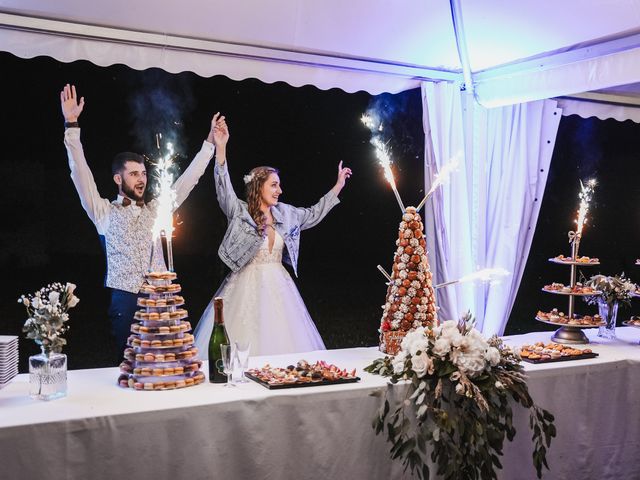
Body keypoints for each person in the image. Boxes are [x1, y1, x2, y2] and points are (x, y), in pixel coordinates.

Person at [60, 83, 220, 358]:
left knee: (165, 363)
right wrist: (71, 125)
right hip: (126, 299)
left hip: (161, 297)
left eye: (143, 173)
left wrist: (209, 145)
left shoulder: (157, 208)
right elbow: (80, 173)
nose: (142, 179)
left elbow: (186, 183)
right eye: (134, 174)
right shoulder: (104, 212)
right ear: (117, 179)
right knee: (131, 363)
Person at [194, 116, 352, 357]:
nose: (280, 190)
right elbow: (223, 186)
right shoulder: (239, 211)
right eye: (274, 185)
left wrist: (338, 185)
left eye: (279, 185)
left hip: (279, 288)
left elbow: (313, 213)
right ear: (259, 187)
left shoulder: (286, 214)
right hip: (245, 286)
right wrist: (221, 148)